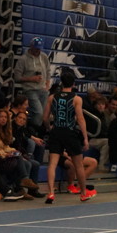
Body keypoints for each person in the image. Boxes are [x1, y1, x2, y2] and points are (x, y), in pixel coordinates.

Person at [43, 68, 92, 204]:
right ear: (73, 83)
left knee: (52, 163)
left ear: (61, 83)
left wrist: (49, 127)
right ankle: (83, 193)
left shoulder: (52, 98)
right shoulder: (76, 99)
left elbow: (45, 117)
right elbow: (80, 119)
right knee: (78, 165)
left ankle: (51, 192)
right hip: (70, 132)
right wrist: (85, 137)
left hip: (56, 131)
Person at [13, 37, 52, 127]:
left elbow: (48, 71)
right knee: (38, 112)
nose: (38, 51)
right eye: (36, 49)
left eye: (39, 49)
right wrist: (31, 79)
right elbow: (17, 77)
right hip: (30, 89)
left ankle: (37, 130)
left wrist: (47, 84)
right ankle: (34, 129)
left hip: (43, 89)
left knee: (44, 114)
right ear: (31, 47)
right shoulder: (23, 59)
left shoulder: (44, 57)